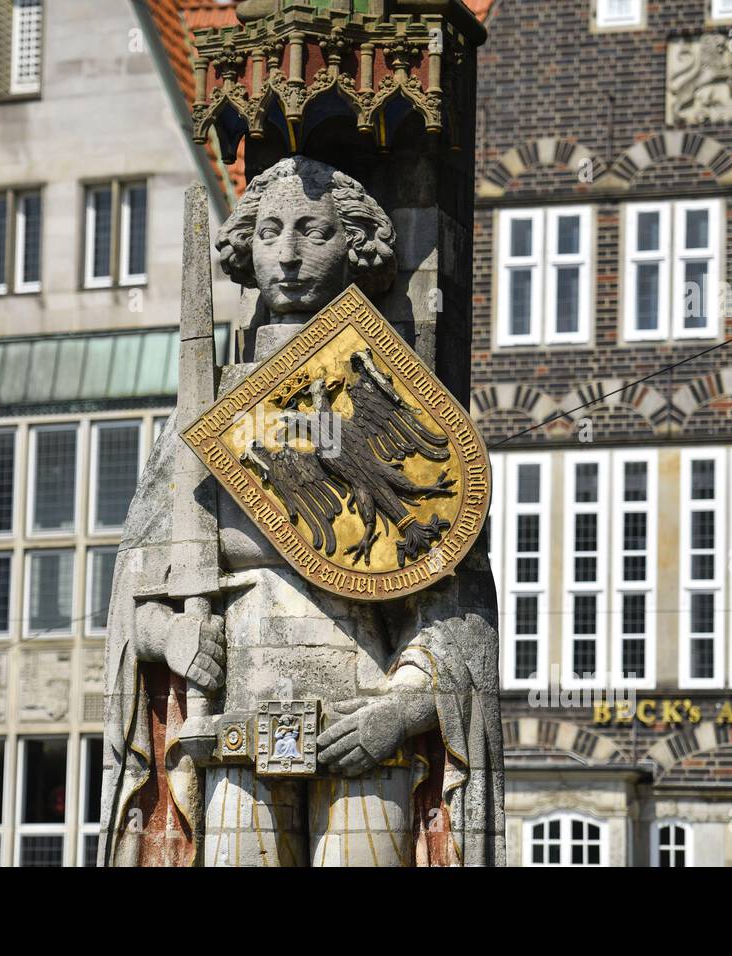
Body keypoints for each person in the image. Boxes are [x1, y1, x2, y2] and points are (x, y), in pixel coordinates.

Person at [98, 156, 504, 867]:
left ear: (355, 246)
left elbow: (452, 603)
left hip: (363, 712)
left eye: (313, 231)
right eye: (271, 232)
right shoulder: (209, 409)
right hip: (232, 714)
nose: (287, 254)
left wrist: (401, 711)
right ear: (247, 249)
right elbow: (138, 595)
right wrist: (170, 637)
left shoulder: (390, 393)